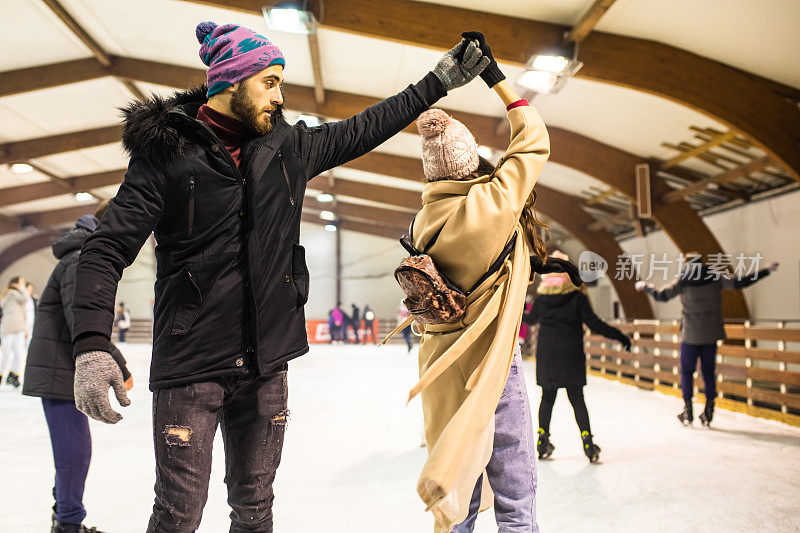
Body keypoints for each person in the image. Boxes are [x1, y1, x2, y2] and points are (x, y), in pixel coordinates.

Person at [68, 19, 490, 531]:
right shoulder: (166, 158)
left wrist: (436, 81)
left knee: (255, 508)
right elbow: (105, 249)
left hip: (266, 365)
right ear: (230, 82)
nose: (279, 95)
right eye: (269, 82)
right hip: (192, 364)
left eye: (281, 83)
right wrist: (92, 342)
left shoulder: (287, 148)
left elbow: (363, 128)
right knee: (179, 514)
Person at [401, 31, 551, 532]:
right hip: (492, 361)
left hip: (442, 366)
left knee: (459, 481)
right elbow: (533, 140)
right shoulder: (490, 205)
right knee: (515, 486)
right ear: (472, 165)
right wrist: (495, 79)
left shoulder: (420, 226)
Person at [22, 206, 133, 533]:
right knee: (74, 452)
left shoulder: (81, 255)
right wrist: (121, 366)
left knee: (71, 451)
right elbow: (83, 322)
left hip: (63, 369)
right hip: (60, 371)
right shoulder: (80, 259)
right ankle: (68, 524)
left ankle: (64, 515)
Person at [636, 253, 779, 426]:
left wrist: (646, 286)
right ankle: (709, 410)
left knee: (687, 372)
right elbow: (740, 282)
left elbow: (662, 296)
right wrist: (764, 271)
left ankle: (688, 409)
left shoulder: (683, 280)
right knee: (708, 372)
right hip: (711, 334)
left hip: (691, 335)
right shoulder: (715, 277)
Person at [524, 251, 631, 463]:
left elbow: (530, 319)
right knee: (577, 400)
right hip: (571, 355)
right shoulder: (577, 298)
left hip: (547, 355)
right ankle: (588, 444)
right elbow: (595, 324)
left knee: (547, 398)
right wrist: (619, 335)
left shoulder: (542, 300)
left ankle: (542, 441)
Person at [1, 276, 28, 388]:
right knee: (6, 354)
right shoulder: (11, 294)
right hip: (9, 328)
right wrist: (21, 288)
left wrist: (25, 329)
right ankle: (2, 374)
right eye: (21, 283)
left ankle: (14, 375)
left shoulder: (18, 296)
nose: (23, 285)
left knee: (19, 354)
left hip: (19, 328)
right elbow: (25, 298)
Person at [25, 281, 37, 350]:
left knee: (30, 340)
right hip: (24, 322)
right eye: (28, 289)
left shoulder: (33, 299)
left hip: (32, 321)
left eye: (31, 289)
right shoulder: (22, 299)